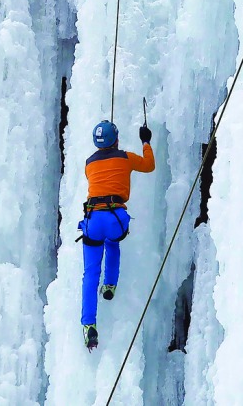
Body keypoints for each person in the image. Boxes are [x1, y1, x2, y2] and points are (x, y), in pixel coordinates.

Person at [79, 118, 154, 350]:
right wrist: (146, 141)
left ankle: (89, 324)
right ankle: (110, 286)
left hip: (93, 218)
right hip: (116, 219)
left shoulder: (88, 164)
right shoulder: (125, 157)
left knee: (90, 274)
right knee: (113, 244)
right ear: (116, 139)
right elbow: (149, 165)